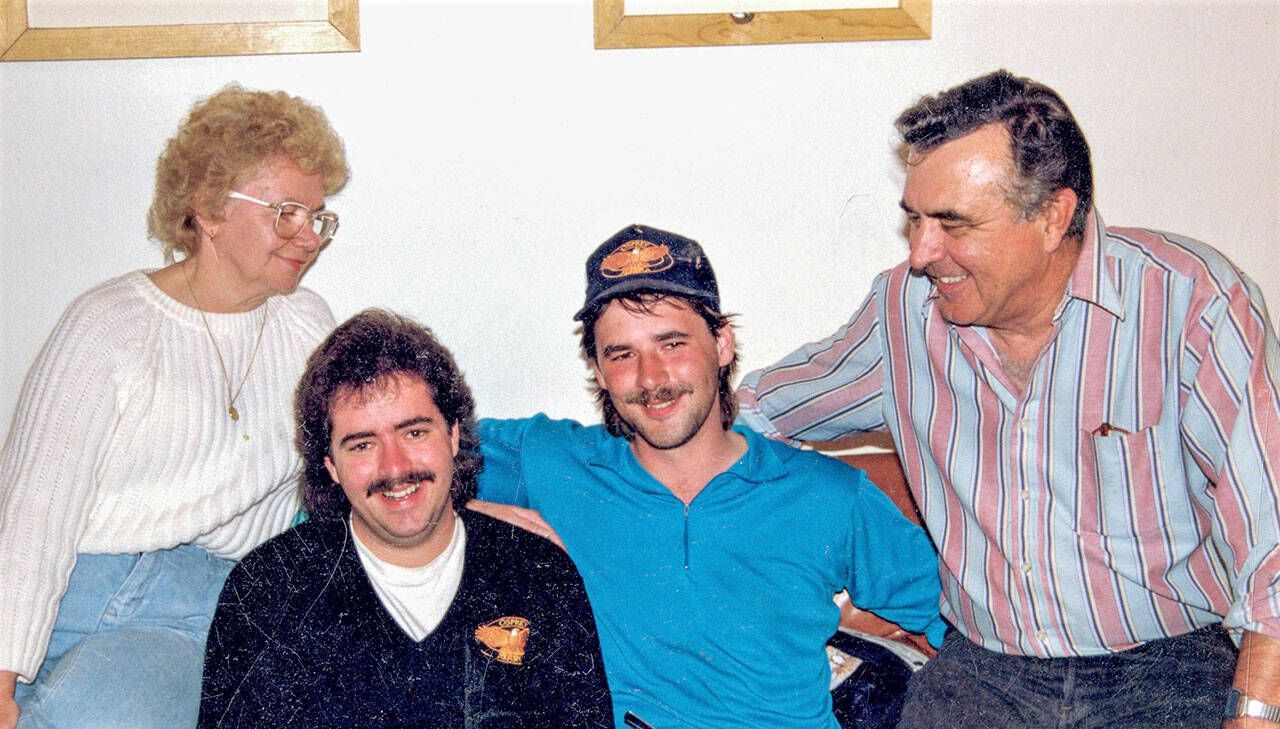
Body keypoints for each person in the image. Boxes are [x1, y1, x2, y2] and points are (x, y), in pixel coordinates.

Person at [736, 69, 1280, 728]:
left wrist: (1254, 714)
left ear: (1052, 215)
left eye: (952, 223)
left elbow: (1273, 537)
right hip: (987, 667)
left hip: (1164, 664)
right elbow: (753, 414)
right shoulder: (903, 313)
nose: (921, 253)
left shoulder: (1191, 303)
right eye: (914, 219)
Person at [472, 224, 944, 729]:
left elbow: (965, 624)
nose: (651, 378)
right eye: (622, 354)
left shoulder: (829, 495)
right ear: (598, 368)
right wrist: (467, 510)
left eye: (672, 344)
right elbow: (393, 457)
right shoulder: (551, 462)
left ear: (721, 344)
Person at [0, 84, 349, 729]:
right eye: (286, 212)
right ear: (209, 209)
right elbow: (34, 511)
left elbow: (365, 454)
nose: (309, 236)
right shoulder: (108, 324)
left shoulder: (308, 328)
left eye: (318, 216)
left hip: (189, 610)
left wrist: (466, 510)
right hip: (69, 586)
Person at [198, 309, 612, 728]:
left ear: (453, 435)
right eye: (362, 445)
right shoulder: (270, 588)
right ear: (332, 467)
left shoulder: (539, 573)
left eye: (414, 433)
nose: (394, 467)